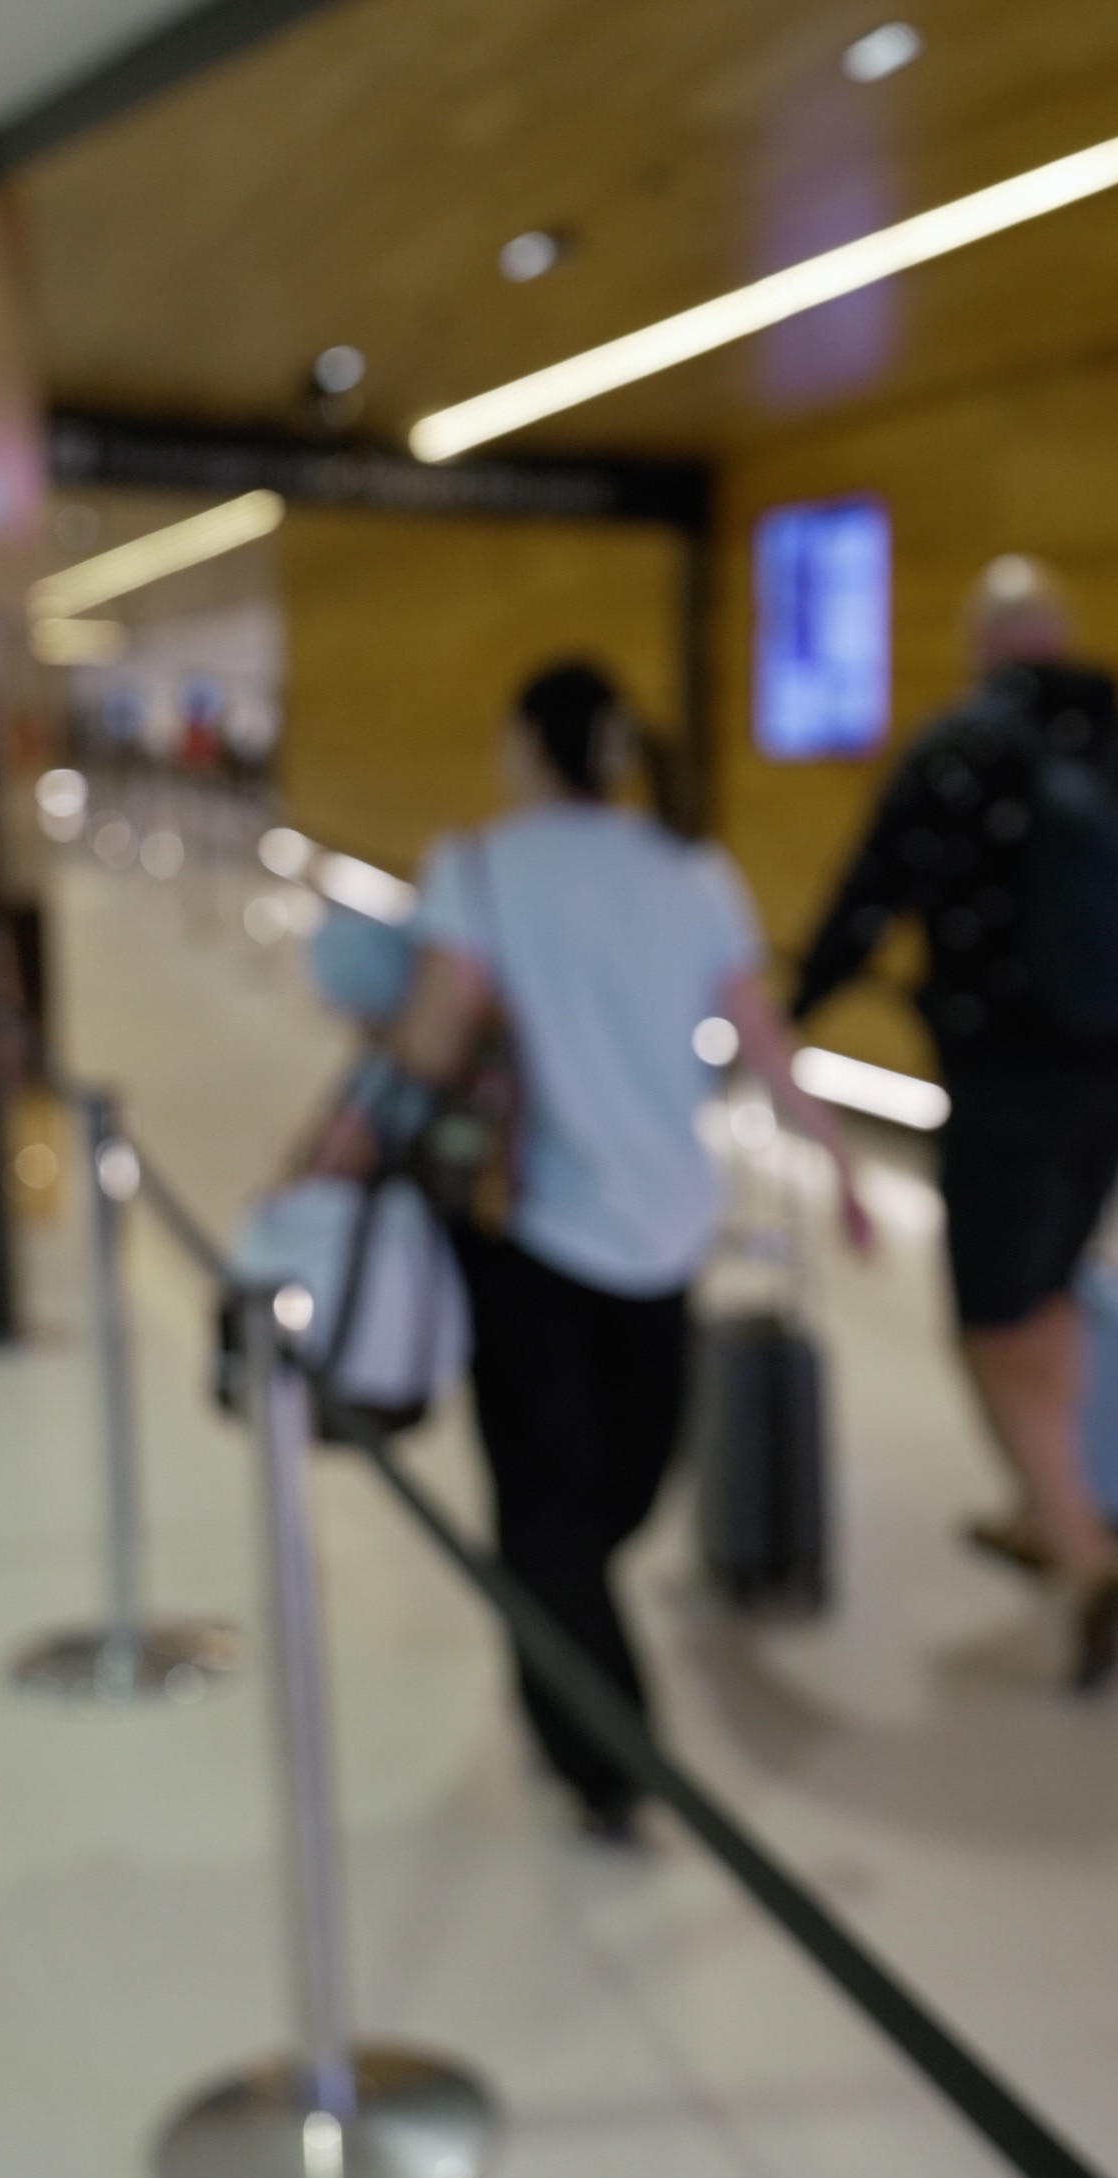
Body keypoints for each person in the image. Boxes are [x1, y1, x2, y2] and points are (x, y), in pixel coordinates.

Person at [322, 658, 871, 1842]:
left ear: (528, 745)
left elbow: (424, 1045)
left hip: (545, 1232)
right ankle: (608, 1751)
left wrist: (329, 1151)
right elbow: (769, 1043)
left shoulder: (480, 868)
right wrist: (839, 1158)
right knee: (589, 1493)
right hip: (616, 1225)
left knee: (569, 1501)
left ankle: (563, 1671)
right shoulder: (693, 870)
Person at [790, 555, 1118, 1693]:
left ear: (983, 646)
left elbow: (867, 896)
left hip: (1004, 1075)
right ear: (1062, 639)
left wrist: (780, 1015)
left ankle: (1082, 1549)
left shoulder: (956, 751)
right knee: (1056, 1287)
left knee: (985, 1311)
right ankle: (1042, 1510)